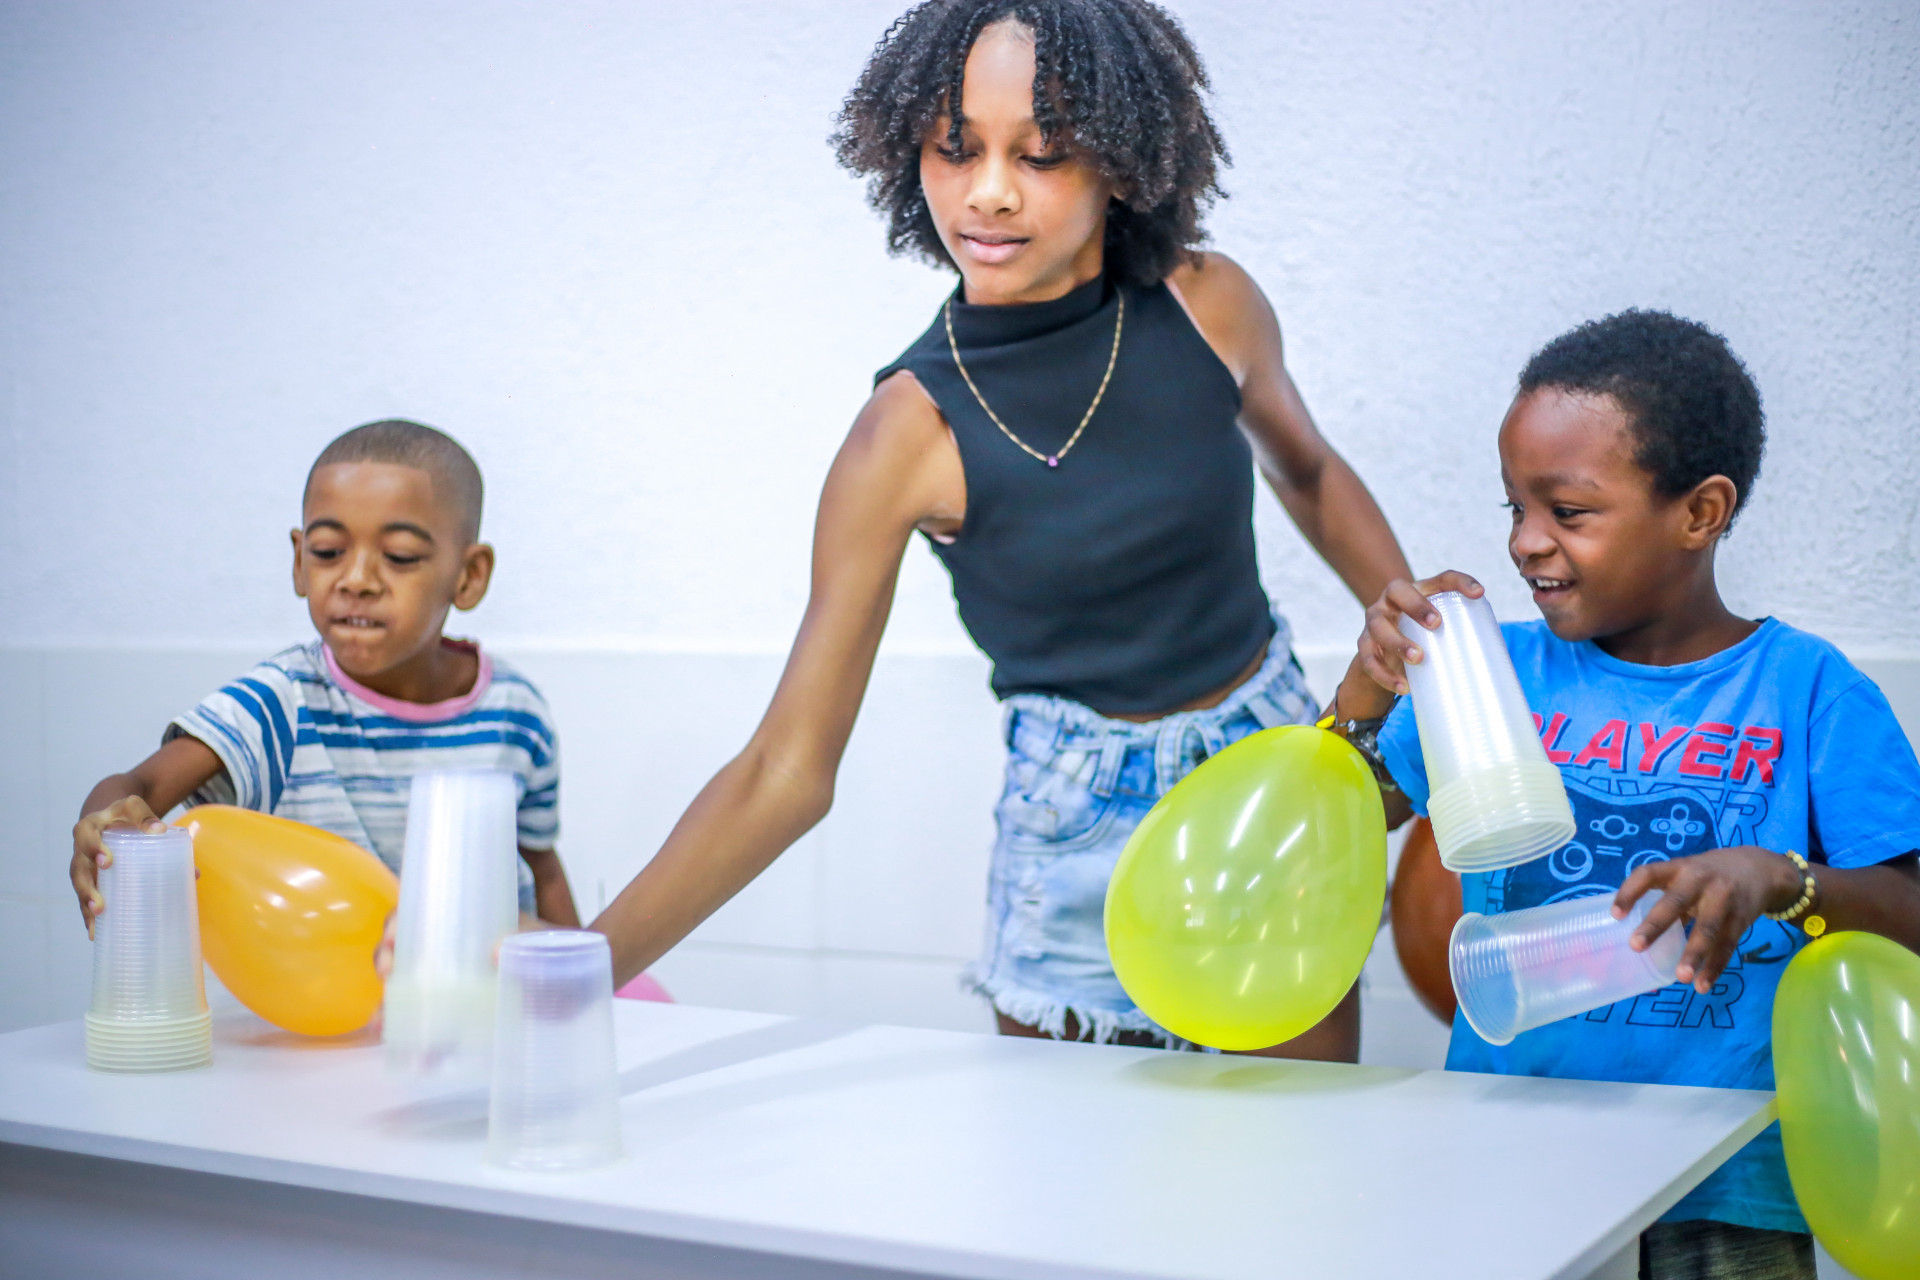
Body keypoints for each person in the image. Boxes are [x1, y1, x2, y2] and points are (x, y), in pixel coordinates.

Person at [590, 0, 1410, 1058]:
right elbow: (787, 771)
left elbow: (1305, 466)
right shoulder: (904, 433)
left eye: (1044, 153)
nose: (987, 192)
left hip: (1273, 769)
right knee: (1059, 1201)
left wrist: (1421, 635)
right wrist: (573, 971)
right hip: (1072, 825)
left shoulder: (1209, 306)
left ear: (1122, 157)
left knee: (1298, 1169)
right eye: (956, 147)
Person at [1330, 309, 1920, 1278]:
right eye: (1513, 507)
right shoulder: (1490, 673)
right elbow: (1337, 829)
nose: (1525, 542)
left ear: (1699, 511)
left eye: (1567, 511)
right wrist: (1363, 692)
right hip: (1504, 1158)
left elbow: (1909, 916)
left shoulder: (1808, 690)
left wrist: (1782, 877)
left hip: (1725, 1183)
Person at [70, 419, 579, 934]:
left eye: (399, 557)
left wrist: (595, 982)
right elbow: (141, 784)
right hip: (322, 1010)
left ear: (468, 576)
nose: (356, 580)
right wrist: (104, 821)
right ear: (298, 561)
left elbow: (541, 868)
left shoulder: (518, 711)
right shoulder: (281, 701)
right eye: (328, 552)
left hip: (481, 1003)